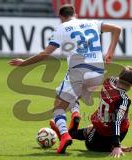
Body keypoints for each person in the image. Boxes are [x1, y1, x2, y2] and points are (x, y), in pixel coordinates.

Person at [8, 4, 122, 153]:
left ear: (60, 17)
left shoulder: (62, 28)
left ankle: (64, 135)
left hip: (79, 71)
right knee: (74, 96)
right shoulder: (92, 22)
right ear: (75, 13)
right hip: (98, 72)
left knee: (58, 107)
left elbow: (45, 54)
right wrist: (110, 52)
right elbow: (117, 29)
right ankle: (74, 113)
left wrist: (24, 63)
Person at [50, 66, 132, 158]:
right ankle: (114, 146)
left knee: (77, 134)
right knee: (117, 126)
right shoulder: (123, 99)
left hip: (98, 125)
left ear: (119, 76)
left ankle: (66, 131)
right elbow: (116, 122)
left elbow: (128, 81)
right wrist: (117, 146)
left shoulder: (109, 81)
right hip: (102, 138)